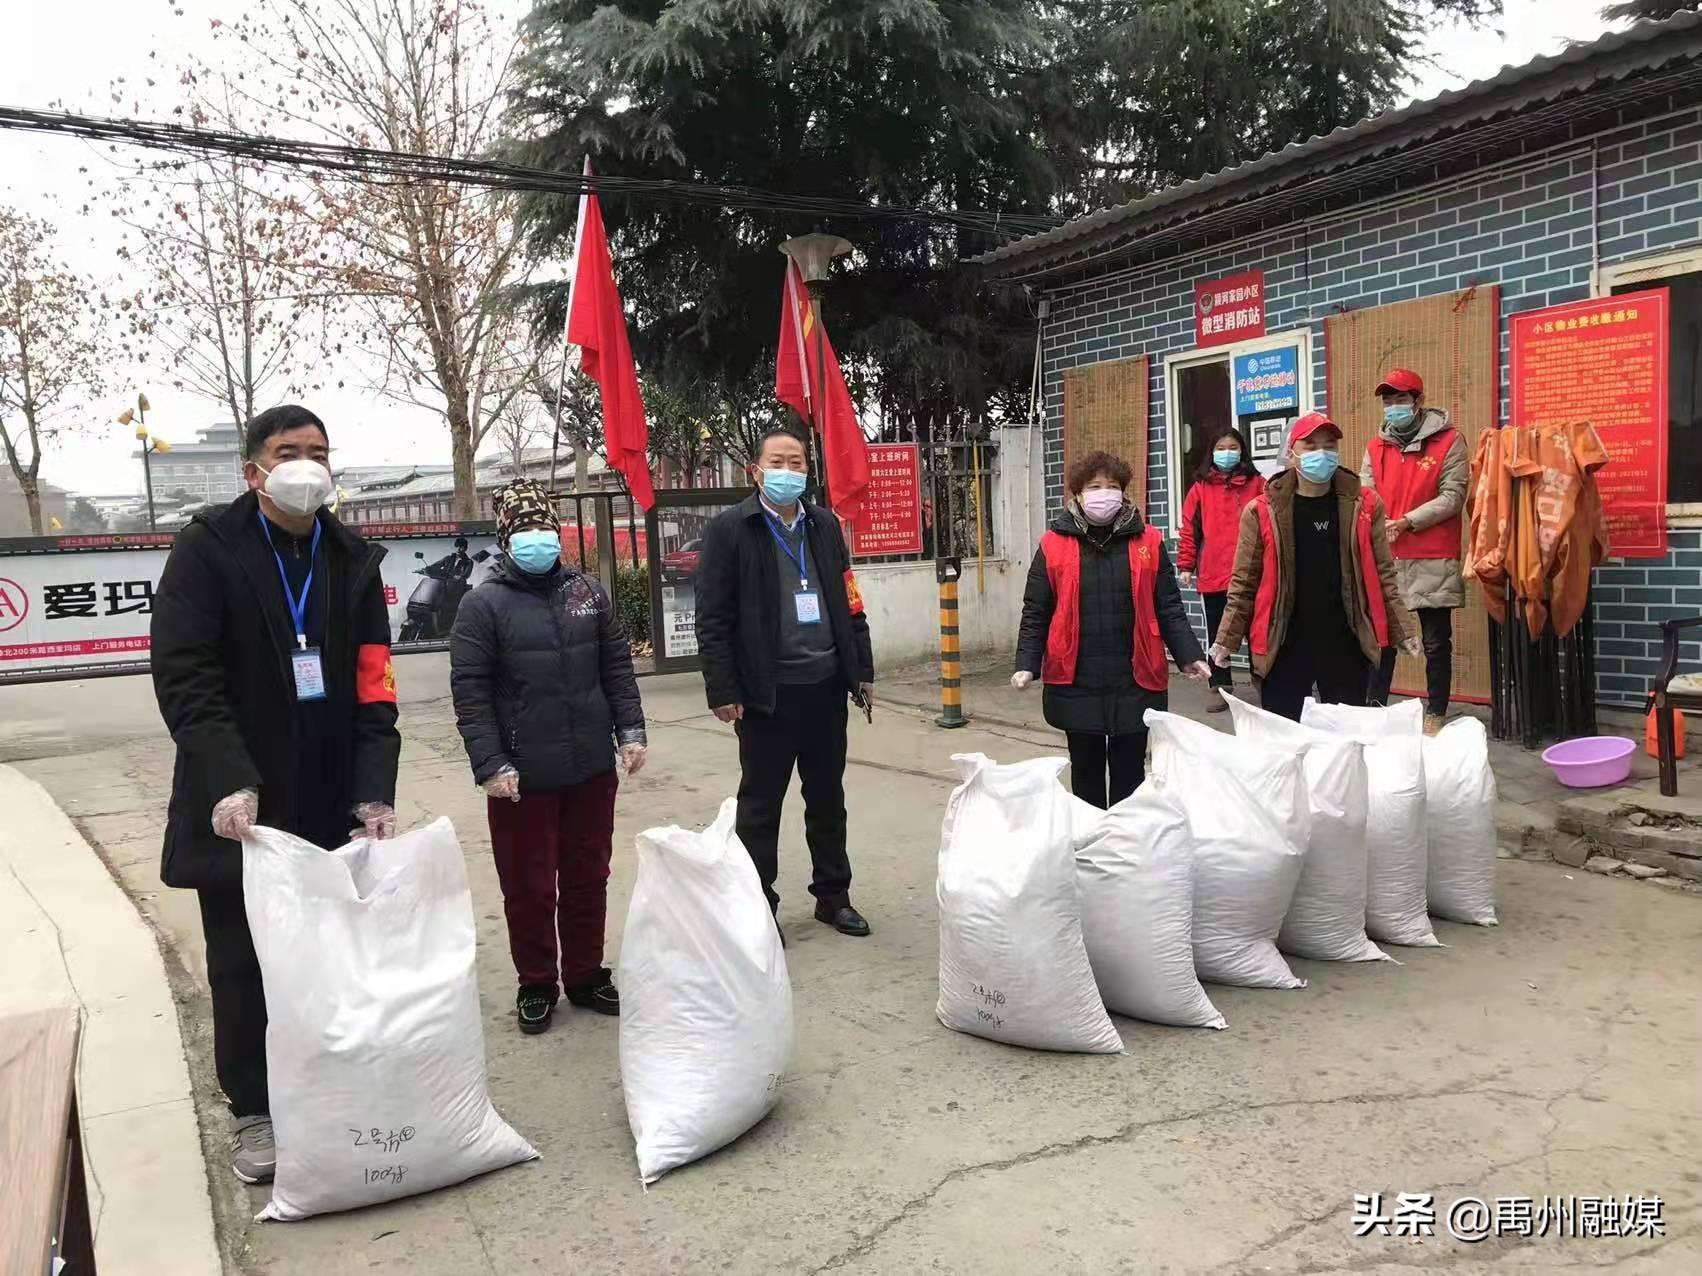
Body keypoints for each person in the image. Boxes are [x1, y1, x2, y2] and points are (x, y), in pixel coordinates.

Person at [150, 404, 400, 1185]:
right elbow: (186, 678)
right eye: (290, 451)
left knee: (327, 960)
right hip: (241, 806)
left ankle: (323, 1086)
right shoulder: (208, 549)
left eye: (319, 452)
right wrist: (228, 779)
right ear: (252, 468)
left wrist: (374, 791)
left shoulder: (351, 556)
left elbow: (373, 684)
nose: (306, 466)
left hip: (327, 792)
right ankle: (254, 1109)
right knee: (242, 964)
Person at [449, 479, 647, 1035]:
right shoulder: (481, 605)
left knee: (589, 876)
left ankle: (586, 973)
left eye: (545, 526)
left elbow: (616, 670)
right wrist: (491, 764)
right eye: (526, 528)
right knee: (529, 886)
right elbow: (471, 693)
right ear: (507, 537)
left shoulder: (586, 591)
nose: (538, 537)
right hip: (522, 777)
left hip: (588, 769)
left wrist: (630, 730)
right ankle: (536, 982)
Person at [694, 427, 875, 940]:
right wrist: (723, 689)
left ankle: (833, 897)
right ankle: (758, 904)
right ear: (756, 470)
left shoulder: (823, 526)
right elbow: (712, 616)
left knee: (826, 797)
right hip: (765, 694)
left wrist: (860, 669)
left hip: (824, 686)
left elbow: (849, 601)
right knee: (760, 805)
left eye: (797, 462)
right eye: (778, 461)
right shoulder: (732, 529)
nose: (789, 471)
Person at [1013, 450, 1213, 809]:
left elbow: (1168, 606)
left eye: (1113, 486)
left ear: (1124, 492)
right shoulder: (1053, 545)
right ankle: (1091, 843)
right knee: (1086, 771)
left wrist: (1189, 655)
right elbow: (1036, 610)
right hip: (1077, 679)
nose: (1104, 493)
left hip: (1135, 677)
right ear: (1076, 493)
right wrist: (1027, 662)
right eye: (1095, 486)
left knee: (1131, 772)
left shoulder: (1148, 542)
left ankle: (1127, 843)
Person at [1211, 412, 1417, 722]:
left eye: (1329, 445)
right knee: (1285, 738)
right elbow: (1244, 583)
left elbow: (1384, 573)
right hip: (1285, 641)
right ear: (1291, 454)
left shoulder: (1364, 505)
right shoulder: (1262, 510)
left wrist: (1402, 628)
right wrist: (1227, 639)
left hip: (1345, 640)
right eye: (1310, 446)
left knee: (1346, 739)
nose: (1321, 453)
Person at [1360, 369, 1468, 734]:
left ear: (1419, 402)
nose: (1393, 408)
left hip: (1431, 554)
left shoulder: (1449, 440)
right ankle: (1373, 710)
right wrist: (1380, 522)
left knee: (1436, 642)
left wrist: (1405, 521)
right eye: (1388, 402)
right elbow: (1365, 493)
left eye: (1401, 400)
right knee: (1383, 637)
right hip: (1387, 556)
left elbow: (1452, 496)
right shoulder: (1375, 447)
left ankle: (1436, 711)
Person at [1176, 427, 1266, 713]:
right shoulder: (1201, 488)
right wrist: (1187, 564)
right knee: (1218, 635)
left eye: (1233, 447)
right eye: (1221, 447)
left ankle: (1264, 683)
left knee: (1259, 632)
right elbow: (1189, 528)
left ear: (1242, 451)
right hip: (1214, 573)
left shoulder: (1258, 484)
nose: (1227, 453)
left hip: (1254, 573)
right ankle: (1220, 686)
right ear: (1212, 453)